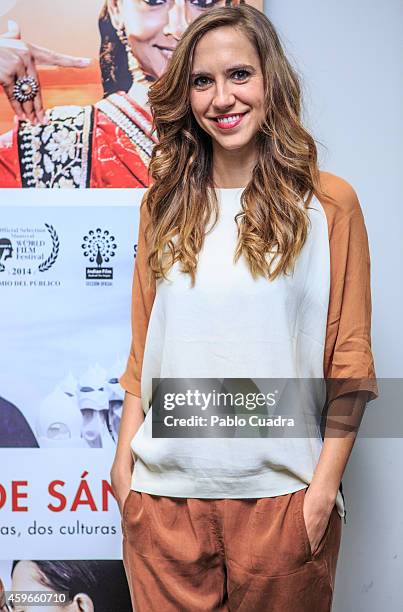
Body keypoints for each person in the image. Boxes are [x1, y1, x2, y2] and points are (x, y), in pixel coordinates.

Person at [111, 2, 378, 610]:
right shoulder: (163, 204)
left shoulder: (330, 203)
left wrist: (321, 492)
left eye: (239, 75)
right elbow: (142, 348)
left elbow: (352, 361)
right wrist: (124, 475)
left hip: (281, 502)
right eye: (202, 81)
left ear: (270, 82)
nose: (221, 98)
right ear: (186, 94)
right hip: (162, 502)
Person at [0, 0, 228, 187]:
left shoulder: (254, 139)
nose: (179, 28)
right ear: (116, 9)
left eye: (204, 2)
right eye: (154, 1)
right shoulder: (49, 143)